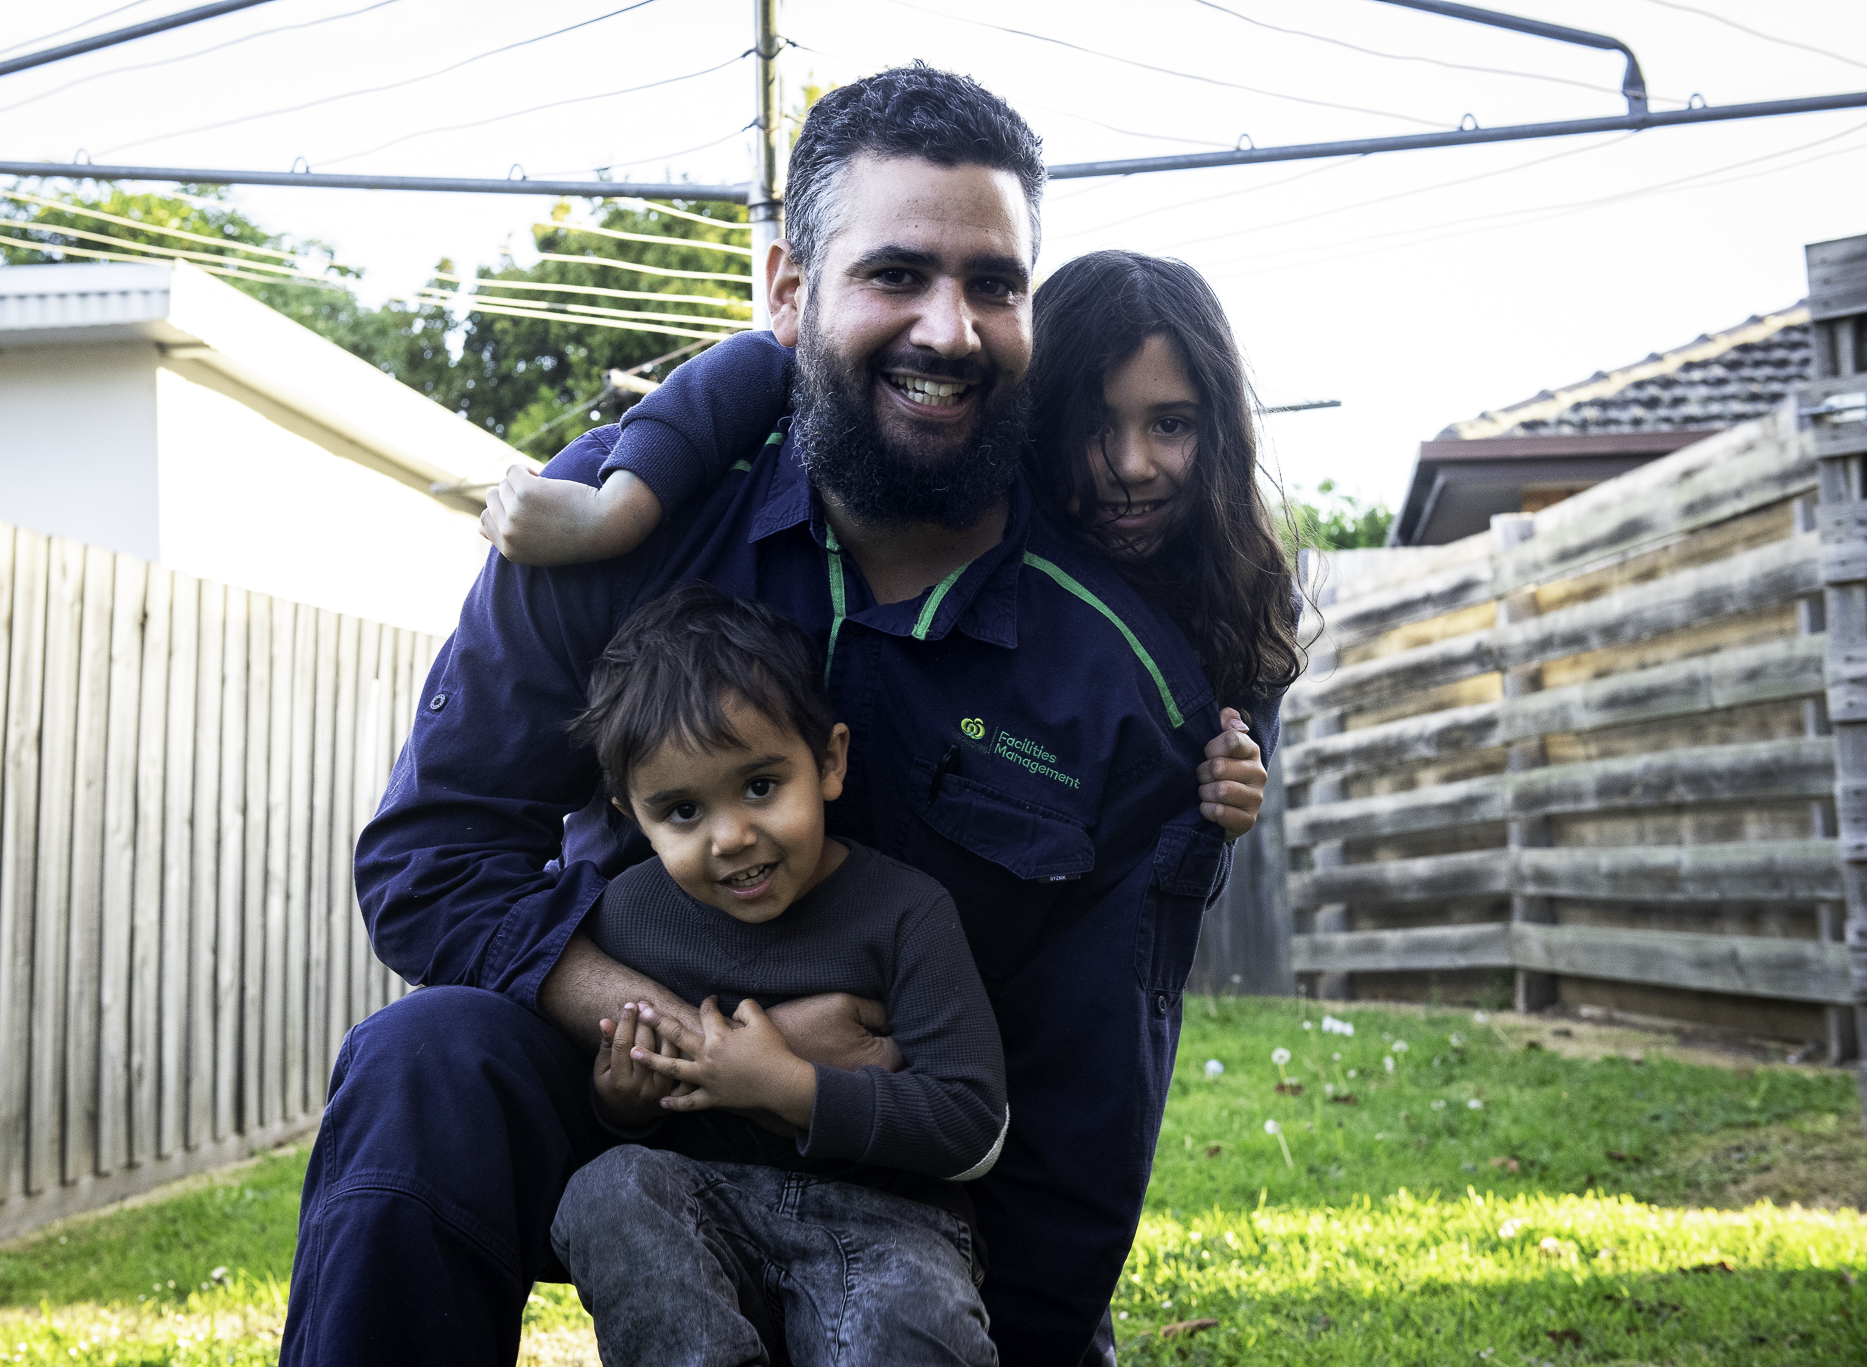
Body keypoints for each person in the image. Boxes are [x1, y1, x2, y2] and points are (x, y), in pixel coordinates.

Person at [283, 64, 1262, 1367]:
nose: (951, 329)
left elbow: (1086, 1104)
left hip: (916, 1180)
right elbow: (431, 858)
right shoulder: (616, 524)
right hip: (615, 1101)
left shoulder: (1124, 684)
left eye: (995, 284)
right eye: (896, 274)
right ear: (790, 290)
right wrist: (687, 1038)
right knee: (424, 1061)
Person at [487, 250, 1300, 746]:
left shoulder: (1248, 590)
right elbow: (766, 364)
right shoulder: (984, 497)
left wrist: (1232, 785)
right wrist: (622, 505)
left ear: (1222, 429)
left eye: (1172, 424)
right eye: (1095, 425)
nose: (1134, 465)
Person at [550, 583, 1004, 1367]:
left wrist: (785, 1084)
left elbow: (971, 1124)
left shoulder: (905, 912)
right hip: (707, 1214)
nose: (731, 836)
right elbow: (624, 1115)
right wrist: (619, 1104)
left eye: (761, 786)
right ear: (631, 814)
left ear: (829, 762)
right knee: (608, 1187)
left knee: (908, 1326)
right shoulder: (626, 918)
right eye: (682, 812)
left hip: (891, 1223)